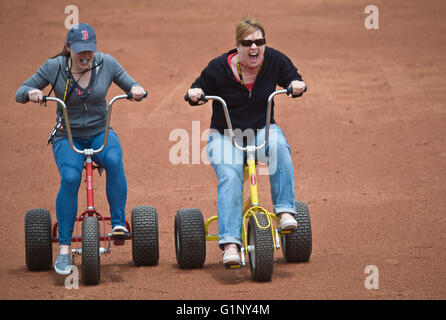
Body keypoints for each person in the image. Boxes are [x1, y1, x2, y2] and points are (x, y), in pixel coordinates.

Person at [15, 23, 146, 275]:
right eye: (79, 51)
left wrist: (135, 90)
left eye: (89, 50)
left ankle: (118, 223)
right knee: (70, 177)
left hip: (100, 133)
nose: (85, 55)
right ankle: (64, 249)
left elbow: (131, 84)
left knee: (114, 160)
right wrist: (32, 92)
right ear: (68, 48)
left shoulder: (107, 63)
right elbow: (19, 92)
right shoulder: (54, 68)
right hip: (68, 136)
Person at [186, 16, 306, 266]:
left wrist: (296, 84)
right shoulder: (218, 67)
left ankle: (284, 210)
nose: (254, 47)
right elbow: (198, 86)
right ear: (237, 45)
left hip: (261, 131)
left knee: (280, 147)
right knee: (230, 177)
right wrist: (195, 93)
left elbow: (292, 76)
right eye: (247, 42)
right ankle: (230, 243)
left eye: (259, 42)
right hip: (225, 136)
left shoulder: (273, 59)